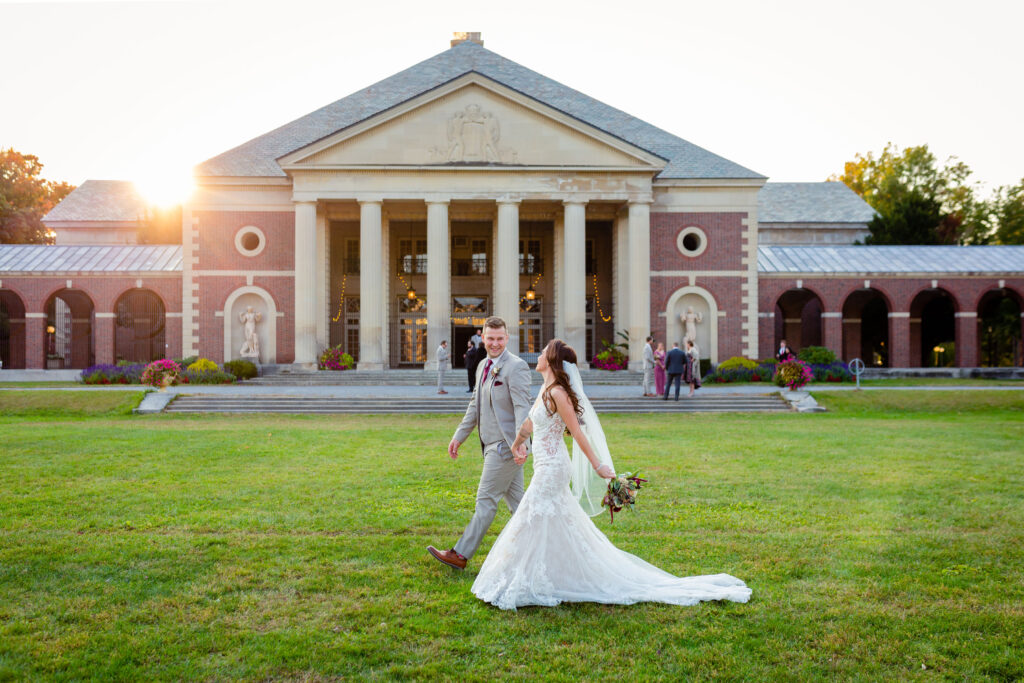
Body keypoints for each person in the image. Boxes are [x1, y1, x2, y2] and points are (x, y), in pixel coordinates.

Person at [471, 339, 751, 611]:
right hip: (544, 464)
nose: (539, 355)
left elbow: (578, 432)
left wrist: (597, 466)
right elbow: (531, 422)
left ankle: (526, 577)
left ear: (552, 361)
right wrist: (517, 442)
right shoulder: (546, 388)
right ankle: (555, 572)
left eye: (543, 352)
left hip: (553, 467)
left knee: (531, 516)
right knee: (552, 519)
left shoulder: (558, 393)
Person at [427, 317, 532, 570]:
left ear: (507, 338)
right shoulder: (483, 364)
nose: (494, 343)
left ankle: (460, 554)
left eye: (499, 338)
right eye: (490, 338)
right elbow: (475, 405)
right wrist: (458, 436)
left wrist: (521, 442)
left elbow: (521, 406)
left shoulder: (516, 367)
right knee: (521, 508)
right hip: (490, 445)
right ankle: (543, 549)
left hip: (506, 447)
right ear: (482, 338)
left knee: (485, 501)